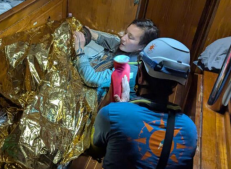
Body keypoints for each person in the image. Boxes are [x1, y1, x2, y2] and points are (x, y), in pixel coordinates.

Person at [90, 38, 197, 168]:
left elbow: (96, 150)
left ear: (140, 75)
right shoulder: (190, 128)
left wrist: (118, 106)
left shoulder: (113, 114)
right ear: (176, 83)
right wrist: (126, 107)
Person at [73, 19, 159, 101]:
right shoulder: (135, 50)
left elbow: (91, 79)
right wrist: (93, 35)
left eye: (130, 37)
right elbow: (115, 43)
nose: (123, 38)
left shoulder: (129, 70)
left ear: (142, 47)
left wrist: (80, 51)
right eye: (125, 33)